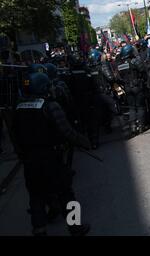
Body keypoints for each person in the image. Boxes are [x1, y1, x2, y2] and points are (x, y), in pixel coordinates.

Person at [13, 72, 92, 236]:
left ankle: (39, 230)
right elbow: (66, 131)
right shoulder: (49, 105)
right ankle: (75, 226)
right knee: (66, 192)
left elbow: (15, 136)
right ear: (42, 87)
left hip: (30, 160)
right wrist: (83, 142)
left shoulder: (19, 107)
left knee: (36, 197)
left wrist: (22, 155)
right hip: (50, 157)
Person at [116, 44, 147, 137]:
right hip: (137, 86)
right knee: (140, 107)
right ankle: (141, 126)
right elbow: (143, 71)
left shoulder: (120, 64)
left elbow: (119, 77)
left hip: (127, 88)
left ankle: (133, 126)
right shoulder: (135, 61)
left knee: (132, 108)